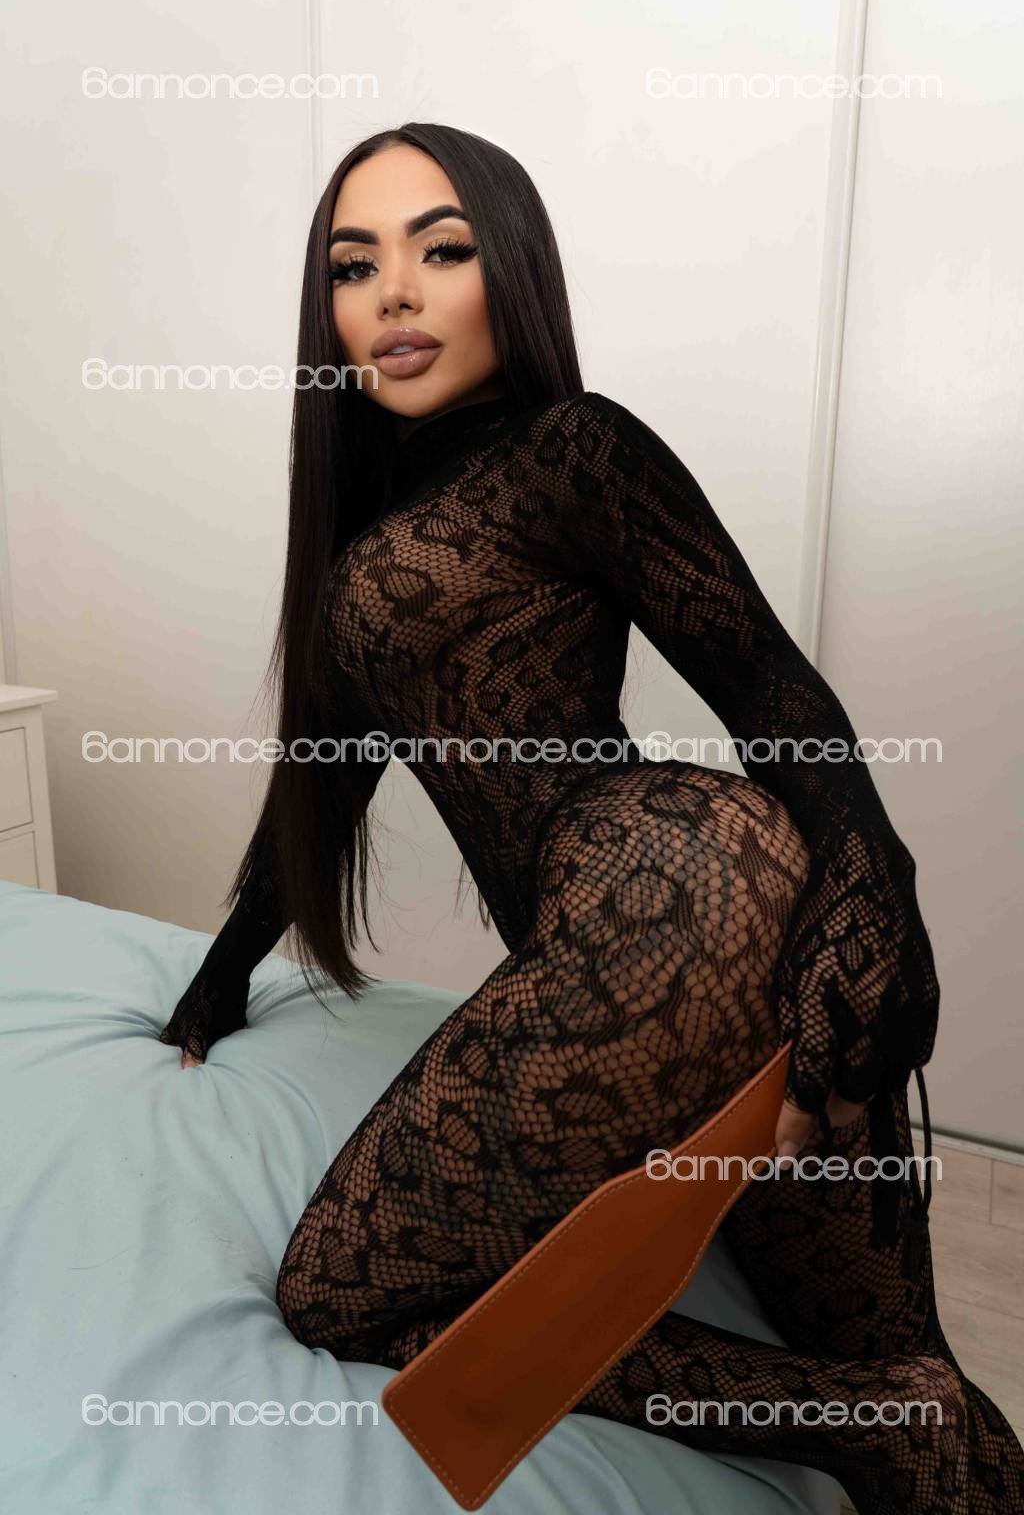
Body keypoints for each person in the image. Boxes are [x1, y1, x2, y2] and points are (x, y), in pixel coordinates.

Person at [159, 122, 1023, 1514]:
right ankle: (895, 1420)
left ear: (510, 268)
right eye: (352, 266)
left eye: (443, 249)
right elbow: (327, 778)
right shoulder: (361, 537)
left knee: (343, 1290)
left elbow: (765, 679)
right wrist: (218, 978)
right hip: (693, 907)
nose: (394, 293)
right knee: (897, 1359)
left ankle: (871, 1420)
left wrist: (877, 877)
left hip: (670, 893)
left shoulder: (573, 445)